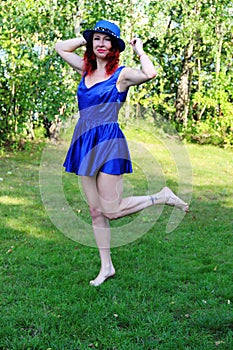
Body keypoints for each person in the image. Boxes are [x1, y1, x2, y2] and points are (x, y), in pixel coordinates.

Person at [55, 19, 189, 287]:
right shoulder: (85, 69)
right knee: (95, 211)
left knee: (112, 210)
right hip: (83, 141)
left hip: (108, 142)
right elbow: (60, 48)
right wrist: (86, 37)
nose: (101, 44)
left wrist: (139, 51)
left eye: (106, 40)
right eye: (97, 39)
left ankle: (161, 196)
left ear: (115, 46)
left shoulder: (122, 74)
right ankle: (107, 267)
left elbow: (150, 74)